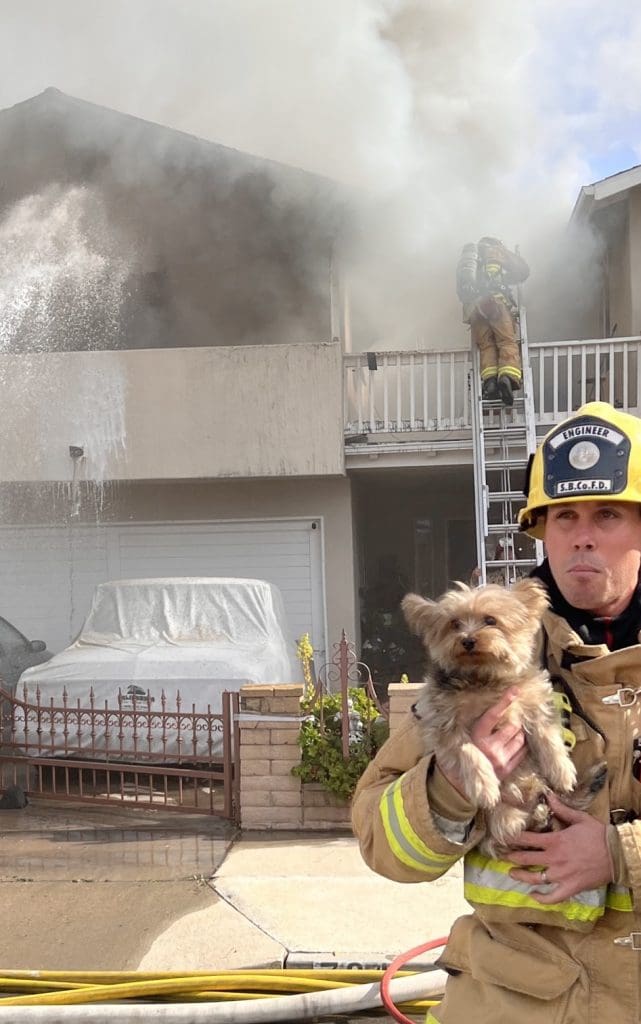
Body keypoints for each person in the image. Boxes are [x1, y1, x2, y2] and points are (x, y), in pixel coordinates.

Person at [352, 400, 641, 1022]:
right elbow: (379, 838)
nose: (583, 534)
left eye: (609, 514)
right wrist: (450, 790)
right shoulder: (478, 668)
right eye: (564, 517)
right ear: (543, 531)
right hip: (512, 1003)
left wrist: (621, 854)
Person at [456, 237, 530, 407]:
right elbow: (523, 272)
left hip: (474, 309)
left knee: (487, 346)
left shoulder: (473, 260)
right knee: (506, 341)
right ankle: (508, 378)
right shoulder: (496, 251)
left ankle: (490, 382)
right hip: (495, 303)